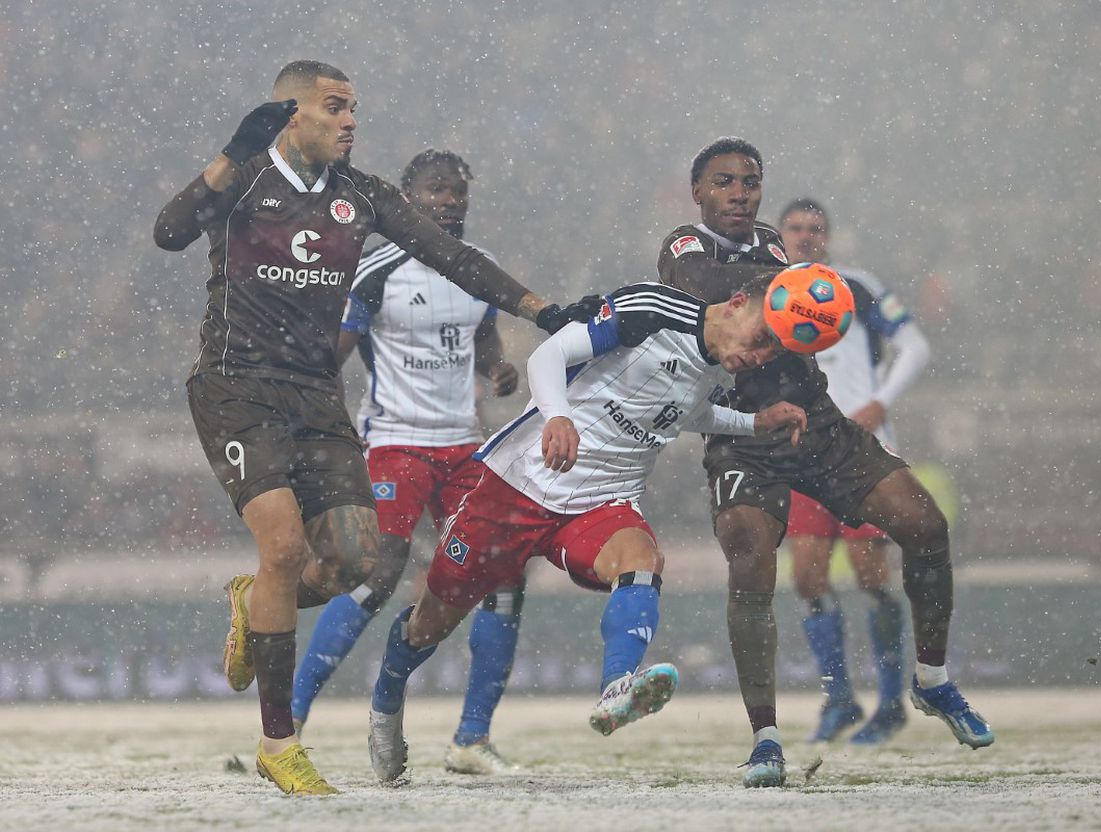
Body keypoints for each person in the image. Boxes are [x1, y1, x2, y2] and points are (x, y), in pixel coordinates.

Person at [153, 60, 594, 795]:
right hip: (238, 388)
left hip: (316, 397)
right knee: (286, 546)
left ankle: (252, 600)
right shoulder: (249, 179)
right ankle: (278, 743)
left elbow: (454, 256)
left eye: (354, 106)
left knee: (358, 563)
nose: (351, 119)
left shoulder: (361, 195)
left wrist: (539, 310)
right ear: (291, 114)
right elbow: (168, 232)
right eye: (335, 106)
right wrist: (230, 154)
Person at [364, 275, 812, 785]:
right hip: (521, 484)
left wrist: (754, 422)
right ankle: (385, 704)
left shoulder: (715, 367)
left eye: (771, 351)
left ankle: (617, 687)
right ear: (735, 303)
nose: (759, 357)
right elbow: (547, 357)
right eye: (760, 339)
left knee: (642, 560)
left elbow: (683, 411)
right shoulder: (651, 307)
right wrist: (557, 416)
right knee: (429, 623)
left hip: (603, 500)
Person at [658, 137, 992, 789]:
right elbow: (702, 289)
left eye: (750, 181)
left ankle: (931, 681)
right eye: (724, 181)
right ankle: (767, 741)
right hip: (742, 431)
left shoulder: (774, 248)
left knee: (925, 525)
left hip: (816, 421)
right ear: (697, 191)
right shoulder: (684, 248)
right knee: (751, 556)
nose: (739, 192)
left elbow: (792, 306)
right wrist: (788, 289)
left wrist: (792, 292)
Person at [289, 149, 526, 776]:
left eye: (458, 192)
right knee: (375, 571)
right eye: (437, 190)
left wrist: (496, 368)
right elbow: (330, 357)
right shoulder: (373, 267)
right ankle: (289, 717)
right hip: (396, 442)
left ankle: (470, 740)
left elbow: (482, 339)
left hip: (466, 445)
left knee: (504, 577)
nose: (450, 201)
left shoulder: (482, 270)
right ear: (407, 196)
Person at [778, 197, 932, 744]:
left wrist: (882, 401)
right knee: (808, 578)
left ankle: (890, 703)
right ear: (779, 233)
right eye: (795, 228)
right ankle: (839, 698)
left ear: (828, 236)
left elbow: (914, 345)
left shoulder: (854, 287)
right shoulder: (767, 293)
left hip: (861, 455)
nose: (805, 237)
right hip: (799, 456)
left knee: (871, 575)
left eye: (815, 229)